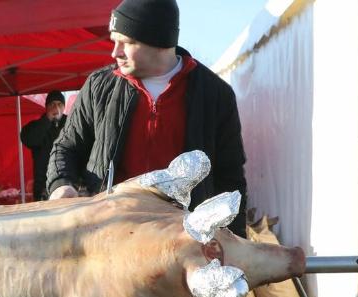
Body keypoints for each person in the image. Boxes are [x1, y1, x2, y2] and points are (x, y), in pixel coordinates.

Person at [46, 0, 248, 236]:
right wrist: (61, 184)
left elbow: (230, 177)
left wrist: (234, 241)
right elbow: (66, 147)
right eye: (114, 41)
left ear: (160, 41)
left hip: (184, 243)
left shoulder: (215, 94)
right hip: (108, 236)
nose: (115, 52)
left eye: (127, 42)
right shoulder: (98, 86)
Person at [20, 91, 67, 201]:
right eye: (52, 104)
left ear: (64, 107)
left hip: (67, 182)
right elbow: (28, 139)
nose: (56, 108)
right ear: (46, 108)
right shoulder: (37, 126)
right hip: (43, 186)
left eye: (59, 104)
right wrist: (47, 120)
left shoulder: (71, 124)